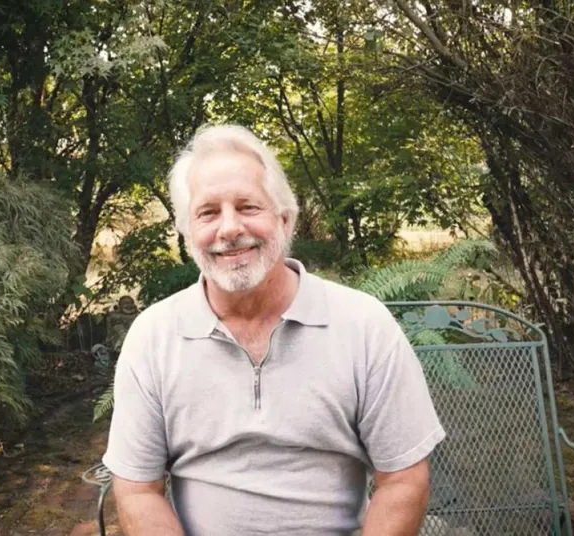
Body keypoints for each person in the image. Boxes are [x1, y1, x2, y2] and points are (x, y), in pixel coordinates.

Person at [101, 124, 445, 535]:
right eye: (208, 212)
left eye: (247, 206)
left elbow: (403, 479)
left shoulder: (364, 326)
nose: (229, 229)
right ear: (188, 232)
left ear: (285, 220)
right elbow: (138, 491)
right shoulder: (152, 338)